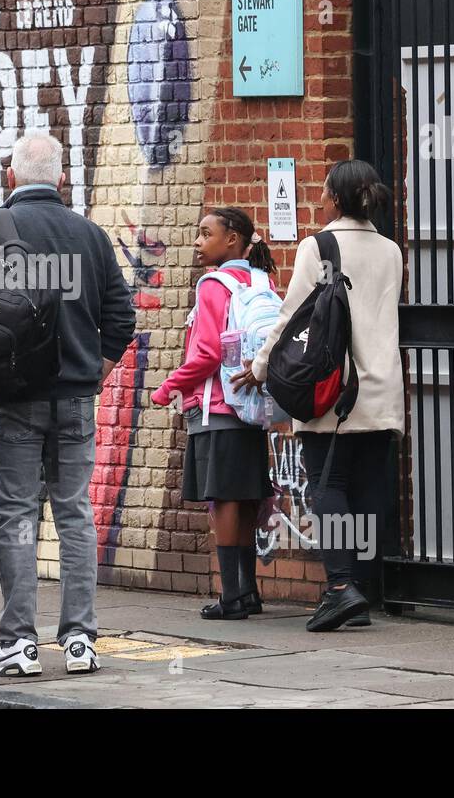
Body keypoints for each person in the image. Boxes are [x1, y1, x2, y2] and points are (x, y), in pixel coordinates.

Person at [0, 132, 136, 678]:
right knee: (75, 513)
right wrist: (93, 375)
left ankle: (19, 644)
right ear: (62, 179)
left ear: (11, 178)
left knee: (18, 514)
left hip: (13, 399)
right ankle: (80, 642)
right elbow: (121, 321)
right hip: (74, 402)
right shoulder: (90, 236)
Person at [236, 160, 404, 632]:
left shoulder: (321, 245)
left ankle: (338, 587)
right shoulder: (391, 250)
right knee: (368, 488)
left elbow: (293, 315)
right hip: (381, 385)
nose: (319, 199)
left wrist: (261, 366)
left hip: (334, 387)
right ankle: (362, 588)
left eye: (325, 191)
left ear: (338, 197)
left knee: (328, 485)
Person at [150, 208, 277, 620]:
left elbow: (205, 354)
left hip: (216, 407)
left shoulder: (212, 285)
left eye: (206, 234)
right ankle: (248, 591)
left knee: (223, 499)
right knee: (243, 498)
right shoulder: (261, 281)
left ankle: (231, 597)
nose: (198, 242)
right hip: (251, 406)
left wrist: (170, 386)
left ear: (233, 239)